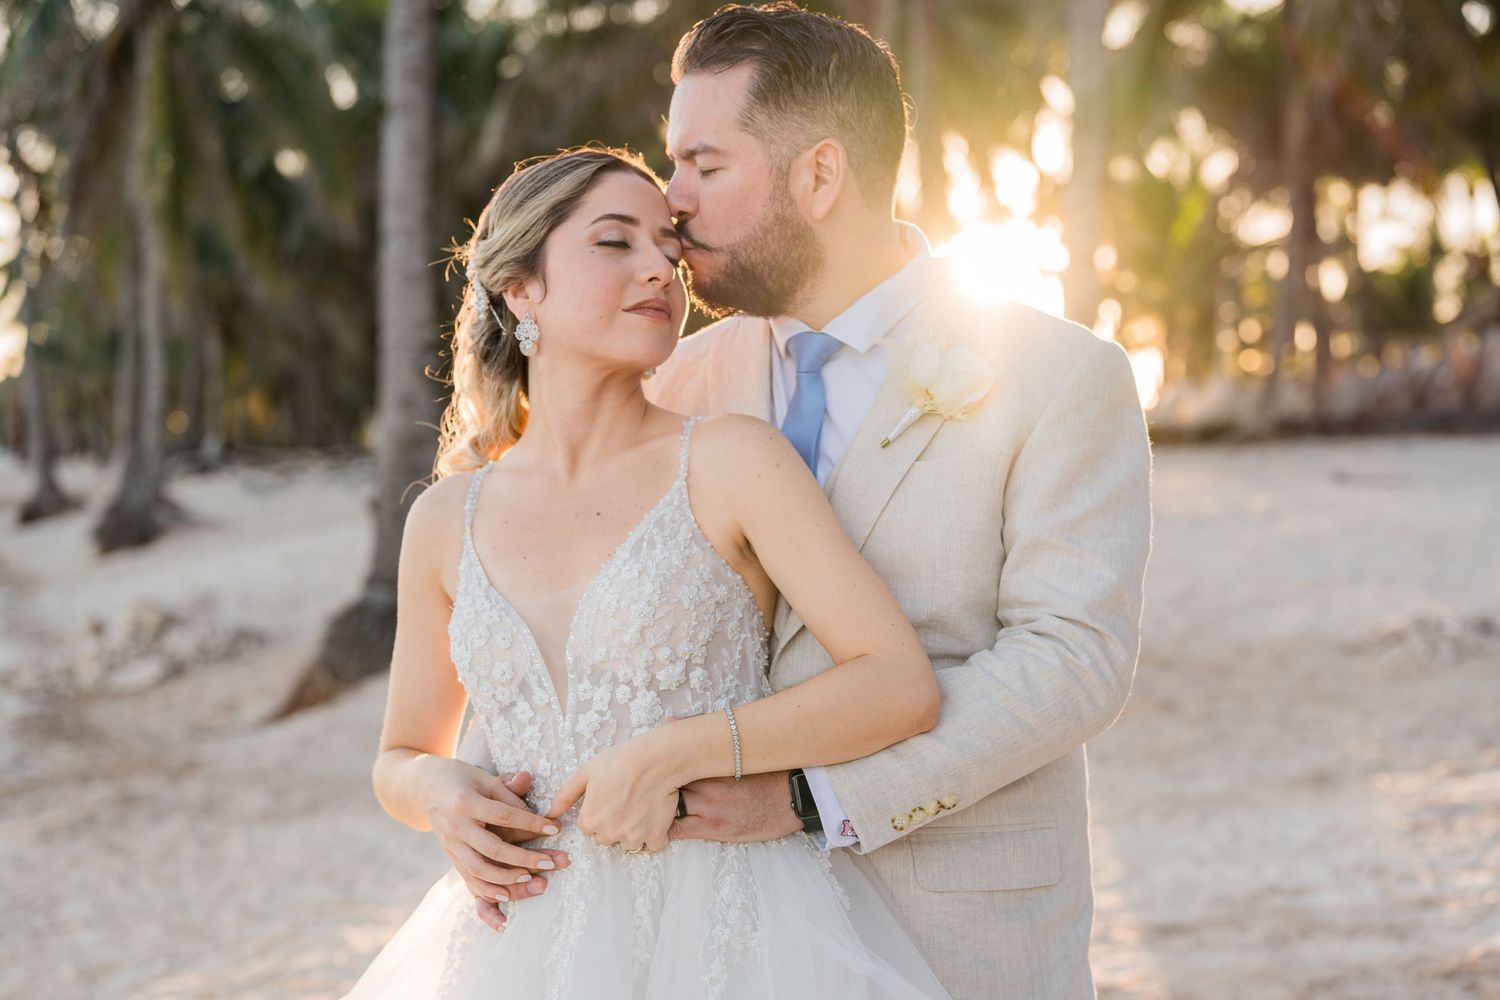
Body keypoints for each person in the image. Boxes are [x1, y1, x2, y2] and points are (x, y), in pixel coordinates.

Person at [455, 6, 1154, 999]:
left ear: (819, 176)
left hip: (957, 923)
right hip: (705, 937)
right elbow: (559, 601)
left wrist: (807, 796)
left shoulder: (1057, 375)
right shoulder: (675, 381)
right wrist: (461, 789)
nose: (673, 202)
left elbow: (1071, 662)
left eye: (703, 165)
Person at [341, 145, 952, 998]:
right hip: (512, 943)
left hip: (728, 931)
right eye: (613, 242)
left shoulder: (732, 459)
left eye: (667, 246)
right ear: (521, 288)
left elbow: (897, 684)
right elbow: (400, 753)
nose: (660, 269)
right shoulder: (447, 518)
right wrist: (436, 789)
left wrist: (679, 752)